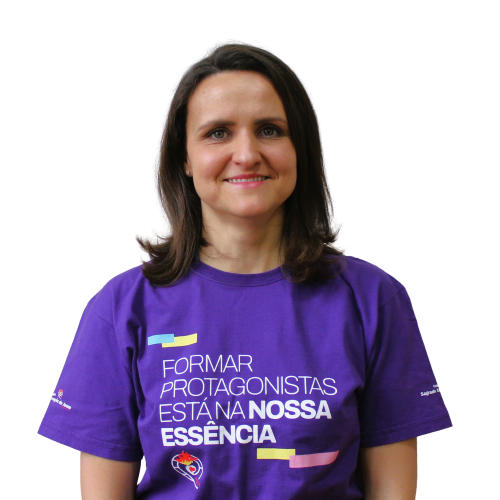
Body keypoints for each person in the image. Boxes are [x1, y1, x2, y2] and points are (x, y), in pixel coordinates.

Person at [38, 43, 452, 499]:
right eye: (218, 133)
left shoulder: (373, 300)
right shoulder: (120, 309)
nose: (247, 153)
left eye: (270, 130)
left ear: (300, 148)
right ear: (184, 158)